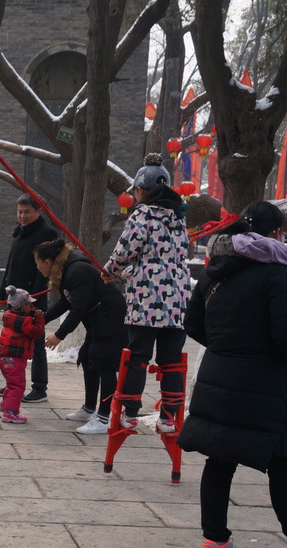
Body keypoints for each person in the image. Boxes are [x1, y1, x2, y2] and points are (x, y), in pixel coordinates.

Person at [178, 201, 287, 548]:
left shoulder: (216, 271)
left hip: (218, 376)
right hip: (265, 381)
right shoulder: (273, 272)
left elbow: (193, 323)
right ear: (275, 233)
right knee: (283, 459)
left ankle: (214, 541)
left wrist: (226, 348)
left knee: (220, 455)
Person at [102, 154, 192, 433]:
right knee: (171, 359)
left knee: (137, 355)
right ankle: (168, 416)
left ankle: (129, 412)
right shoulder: (178, 217)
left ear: (141, 190)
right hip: (176, 295)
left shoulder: (143, 214)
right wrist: (125, 273)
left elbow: (126, 251)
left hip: (147, 300)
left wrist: (110, 270)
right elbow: (161, 259)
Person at [34, 238, 127, 434]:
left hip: (110, 318)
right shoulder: (67, 271)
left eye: (38, 263)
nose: (37, 267)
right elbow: (66, 303)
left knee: (104, 364)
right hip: (98, 319)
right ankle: (89, 408)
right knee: (87, 357)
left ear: (48, 262)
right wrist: (42, 319)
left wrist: (59, 335)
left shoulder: (77, 271)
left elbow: (77, 309)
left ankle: (104, 417)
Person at [0, 194, 56, 402]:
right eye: (19, 211)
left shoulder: (47, 233)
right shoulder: (19, 233)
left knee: (36, 343)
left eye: (27, 212)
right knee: (12, 343)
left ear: (39, 212)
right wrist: (2, 293)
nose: (22, 216)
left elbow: (44, 271)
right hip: (14, 298)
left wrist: (33, 299)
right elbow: (11, 265)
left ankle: (39, 387)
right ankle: (13, 384)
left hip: (31, 300)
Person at [0, 286, 45, 424]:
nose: (32, 306)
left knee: (11, 384)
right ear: (23, 307)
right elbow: (36, 333)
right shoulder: (24, 321)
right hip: (15, 358)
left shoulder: (8, 316)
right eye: (30, 304)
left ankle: (6, 403)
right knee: (17, 386)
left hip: (4, 357)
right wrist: (39, 319)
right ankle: (10, 413)